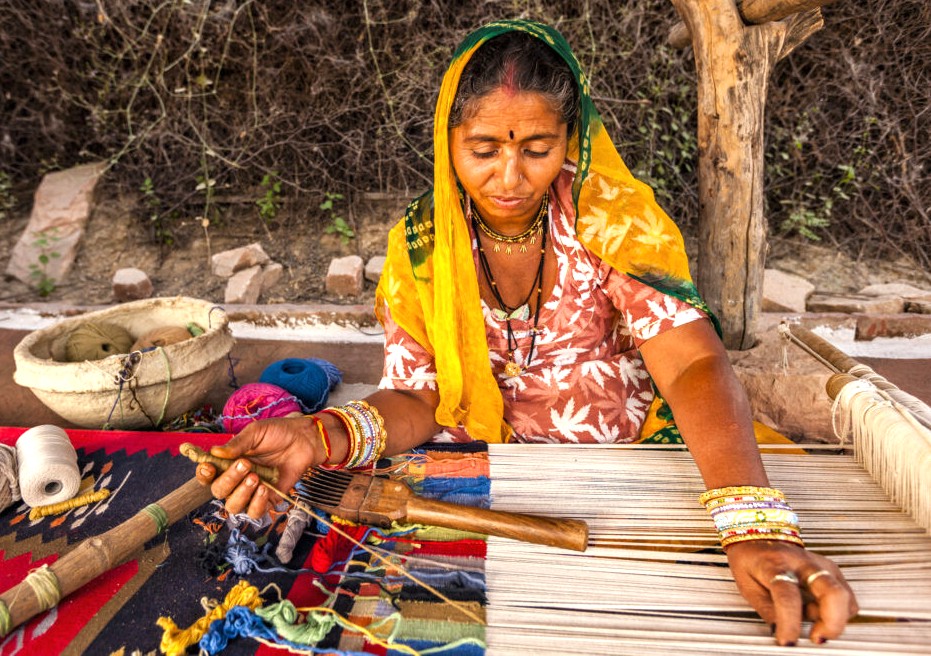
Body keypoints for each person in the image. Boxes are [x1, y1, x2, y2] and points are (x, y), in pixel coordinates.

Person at [196, 19, 857, 646]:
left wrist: (751, 521)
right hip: (470, 475)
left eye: (536, 150)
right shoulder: (423, 245)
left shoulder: (611, 220)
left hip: (609, 466)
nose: (508, 179)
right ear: (446, 140)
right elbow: (419, 399)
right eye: (482, 150)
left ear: (568, 140)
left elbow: (688, 365)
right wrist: (318, 435)